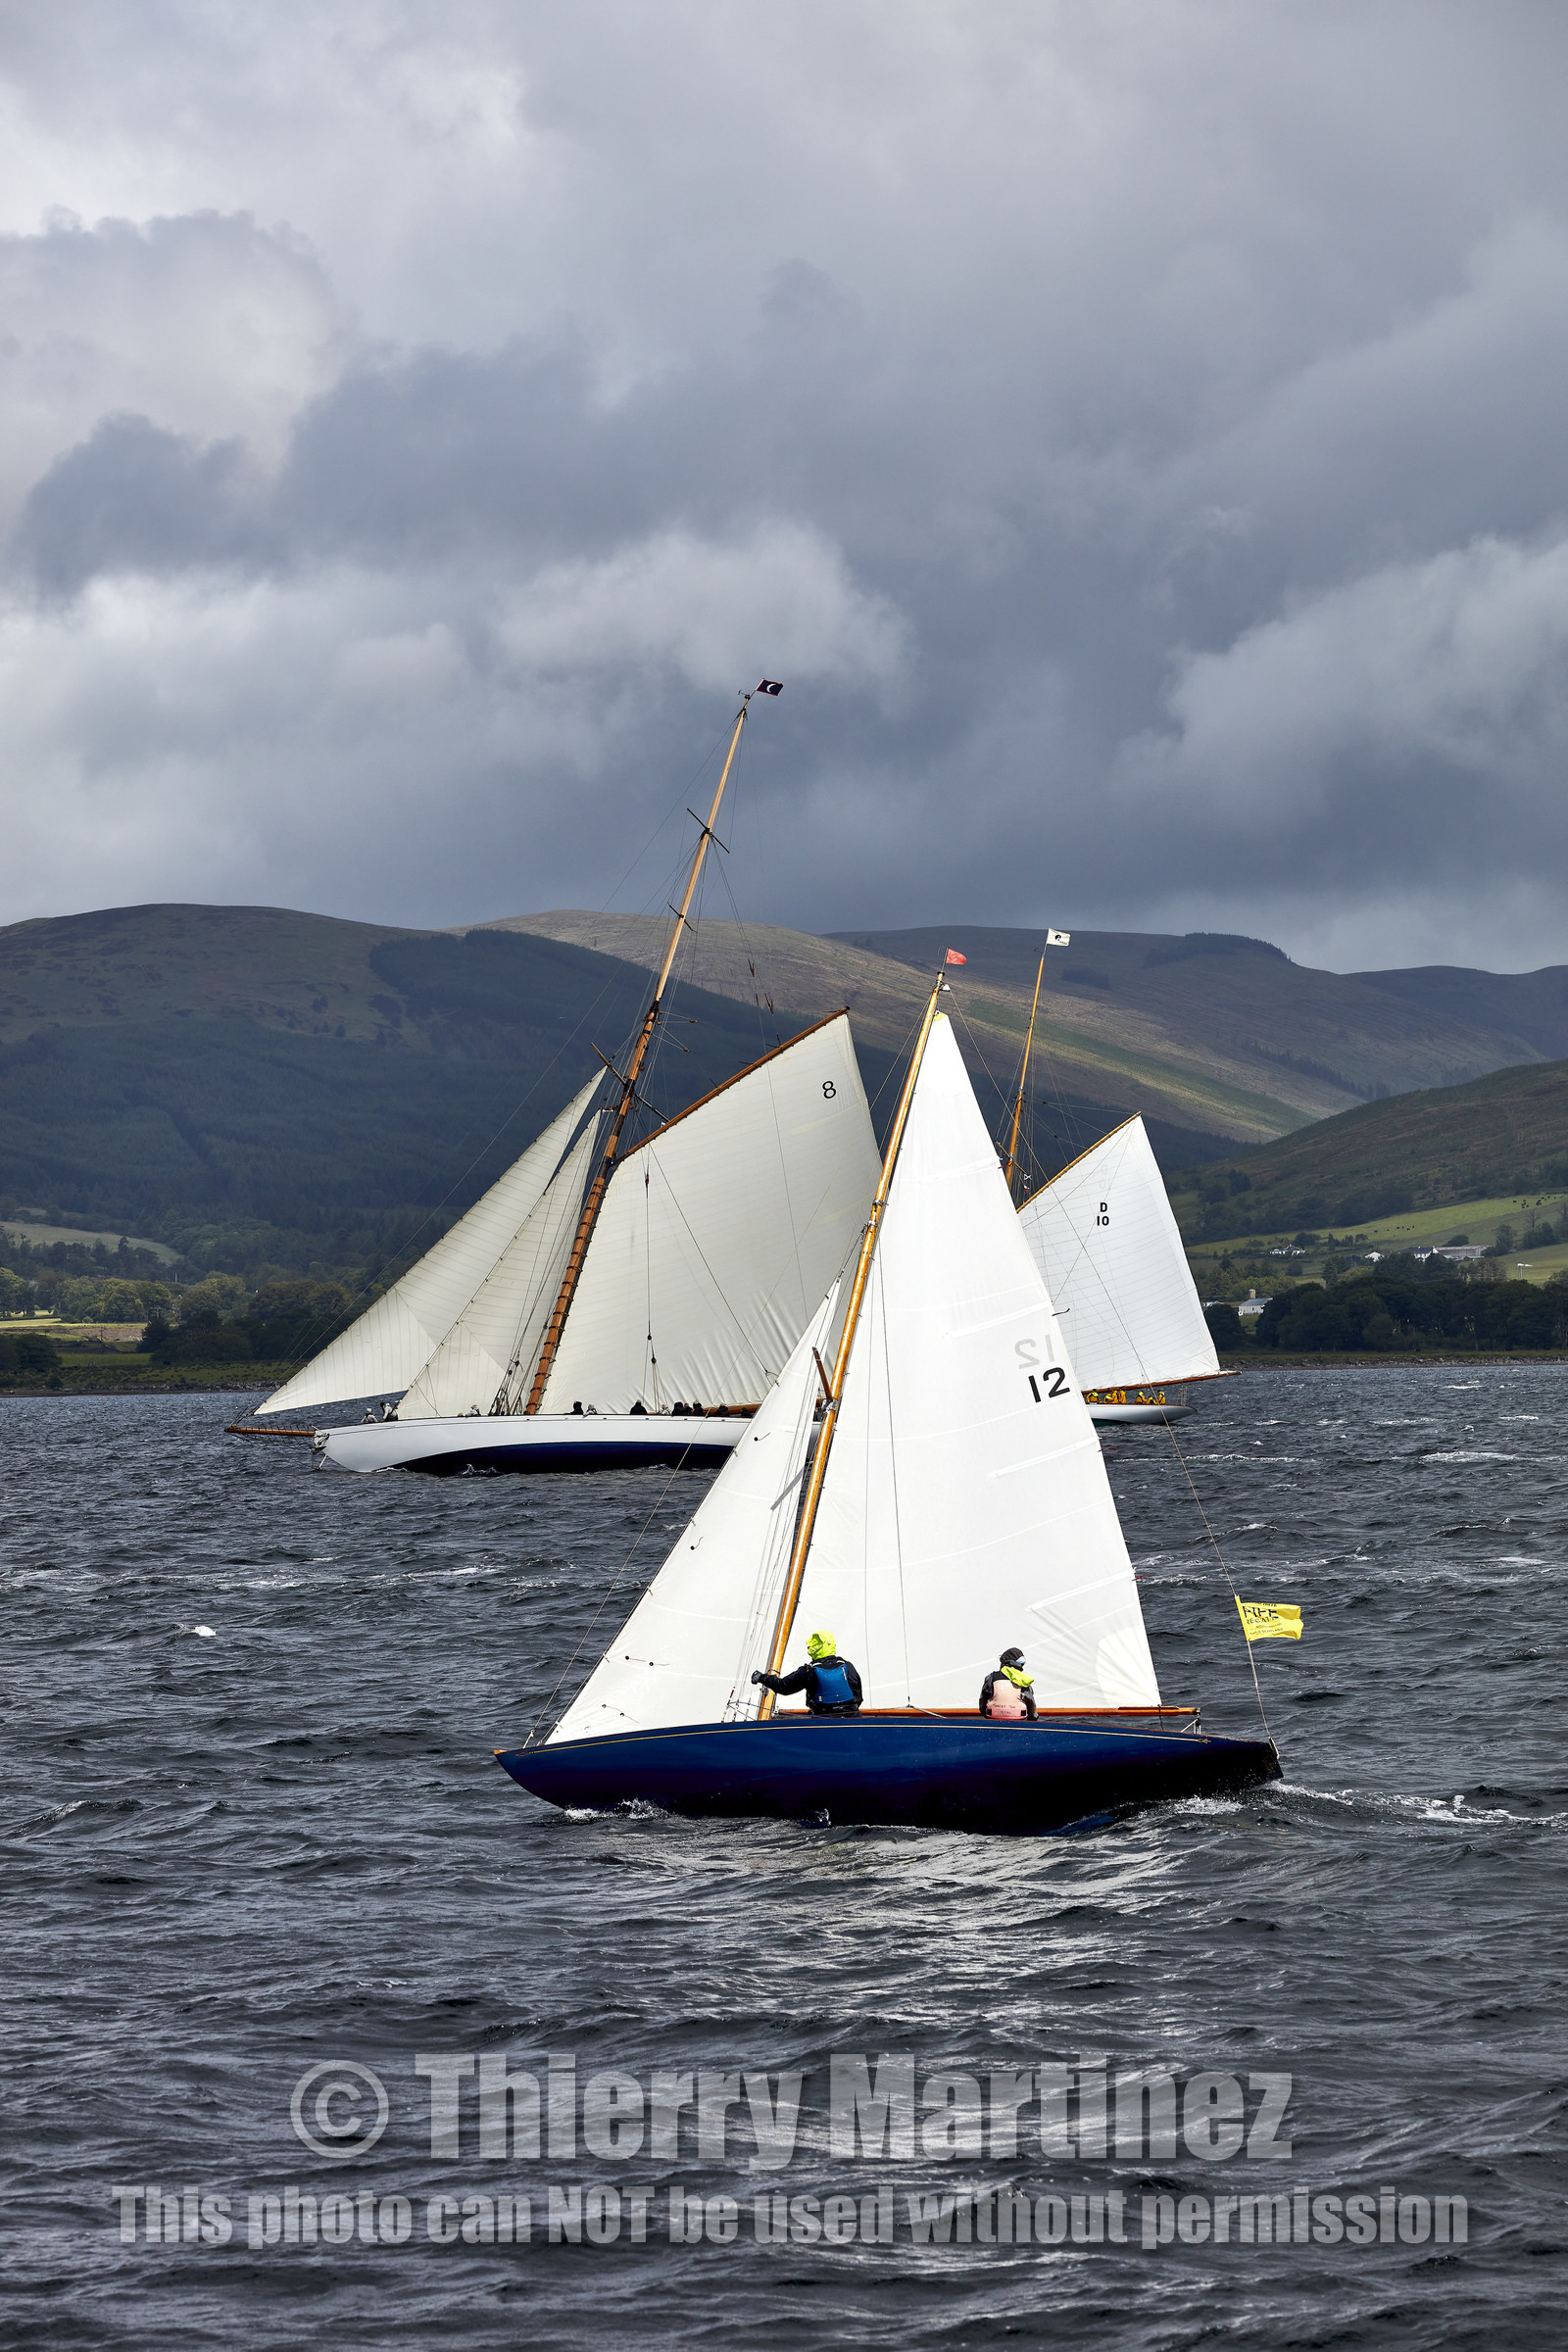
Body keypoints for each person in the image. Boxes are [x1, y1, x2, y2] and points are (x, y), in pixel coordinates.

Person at [752, 1630, 862, 1715]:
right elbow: (858, 1695)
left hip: (821, 1721)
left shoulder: (808, 1671)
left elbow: (783, 1687)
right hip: (852, 1719)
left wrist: (762, 1677)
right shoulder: (847, 1666)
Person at [979, 1646, 1037, 1720]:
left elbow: (983, 1700)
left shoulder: (991, 1677)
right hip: (1019, 1718)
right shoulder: (1024, 1680)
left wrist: (984, 1714)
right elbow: (1030, 1701)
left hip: (993, 1717)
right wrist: (1033, 1718)